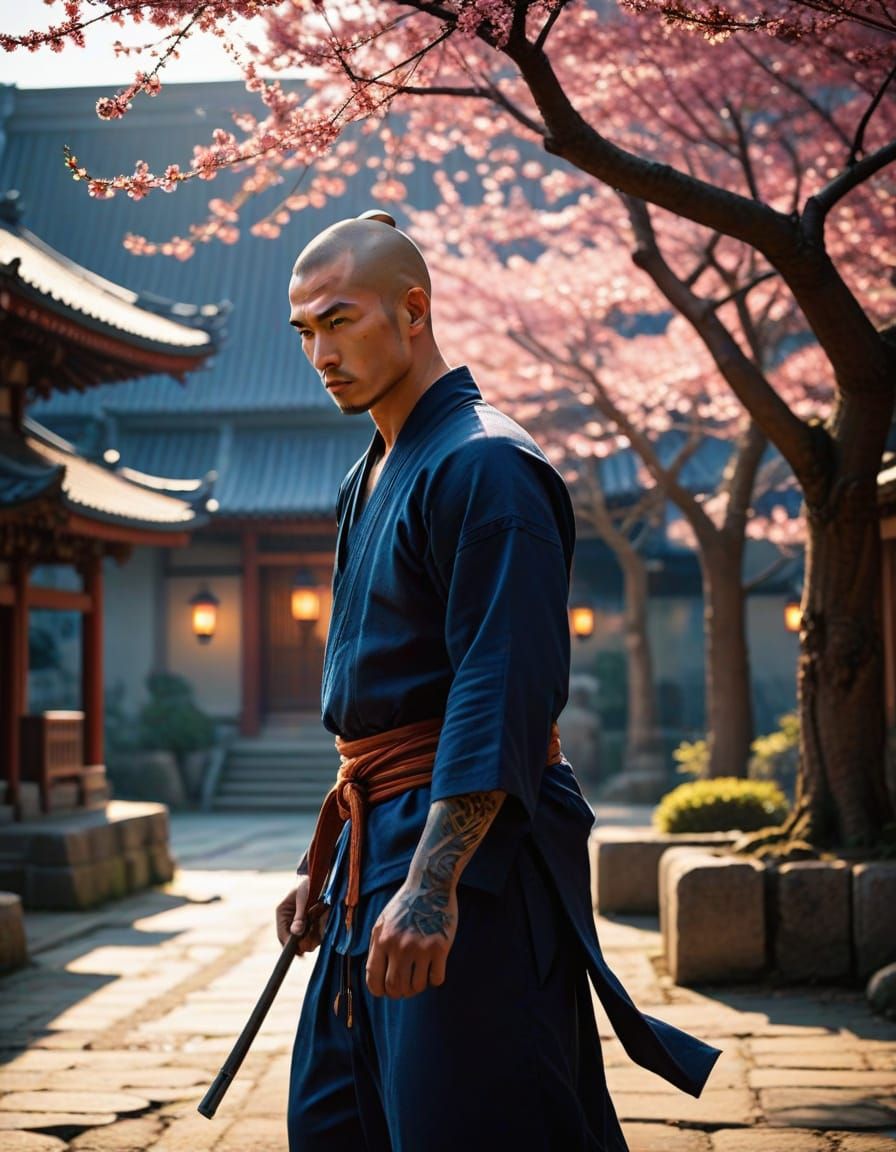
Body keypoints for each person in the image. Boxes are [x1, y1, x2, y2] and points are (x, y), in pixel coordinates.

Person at [276, 211, 720, 1152]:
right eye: (304, 330)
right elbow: (381, 692)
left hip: (463, 855)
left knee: (470, 1121)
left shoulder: (486, 464)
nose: (320, 351)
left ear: (415, 308)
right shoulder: (374, 471)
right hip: (370, 853)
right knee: (333, 1126)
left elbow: (500, 688)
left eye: (340, 320)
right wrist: (328, 866)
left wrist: (434, 886)